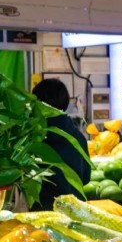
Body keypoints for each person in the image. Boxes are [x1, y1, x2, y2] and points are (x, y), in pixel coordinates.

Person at [32, 78, 91, 210]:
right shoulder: (78, 137)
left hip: (44, 214)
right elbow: (86, 178)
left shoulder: (34, 139)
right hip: (76, 212)